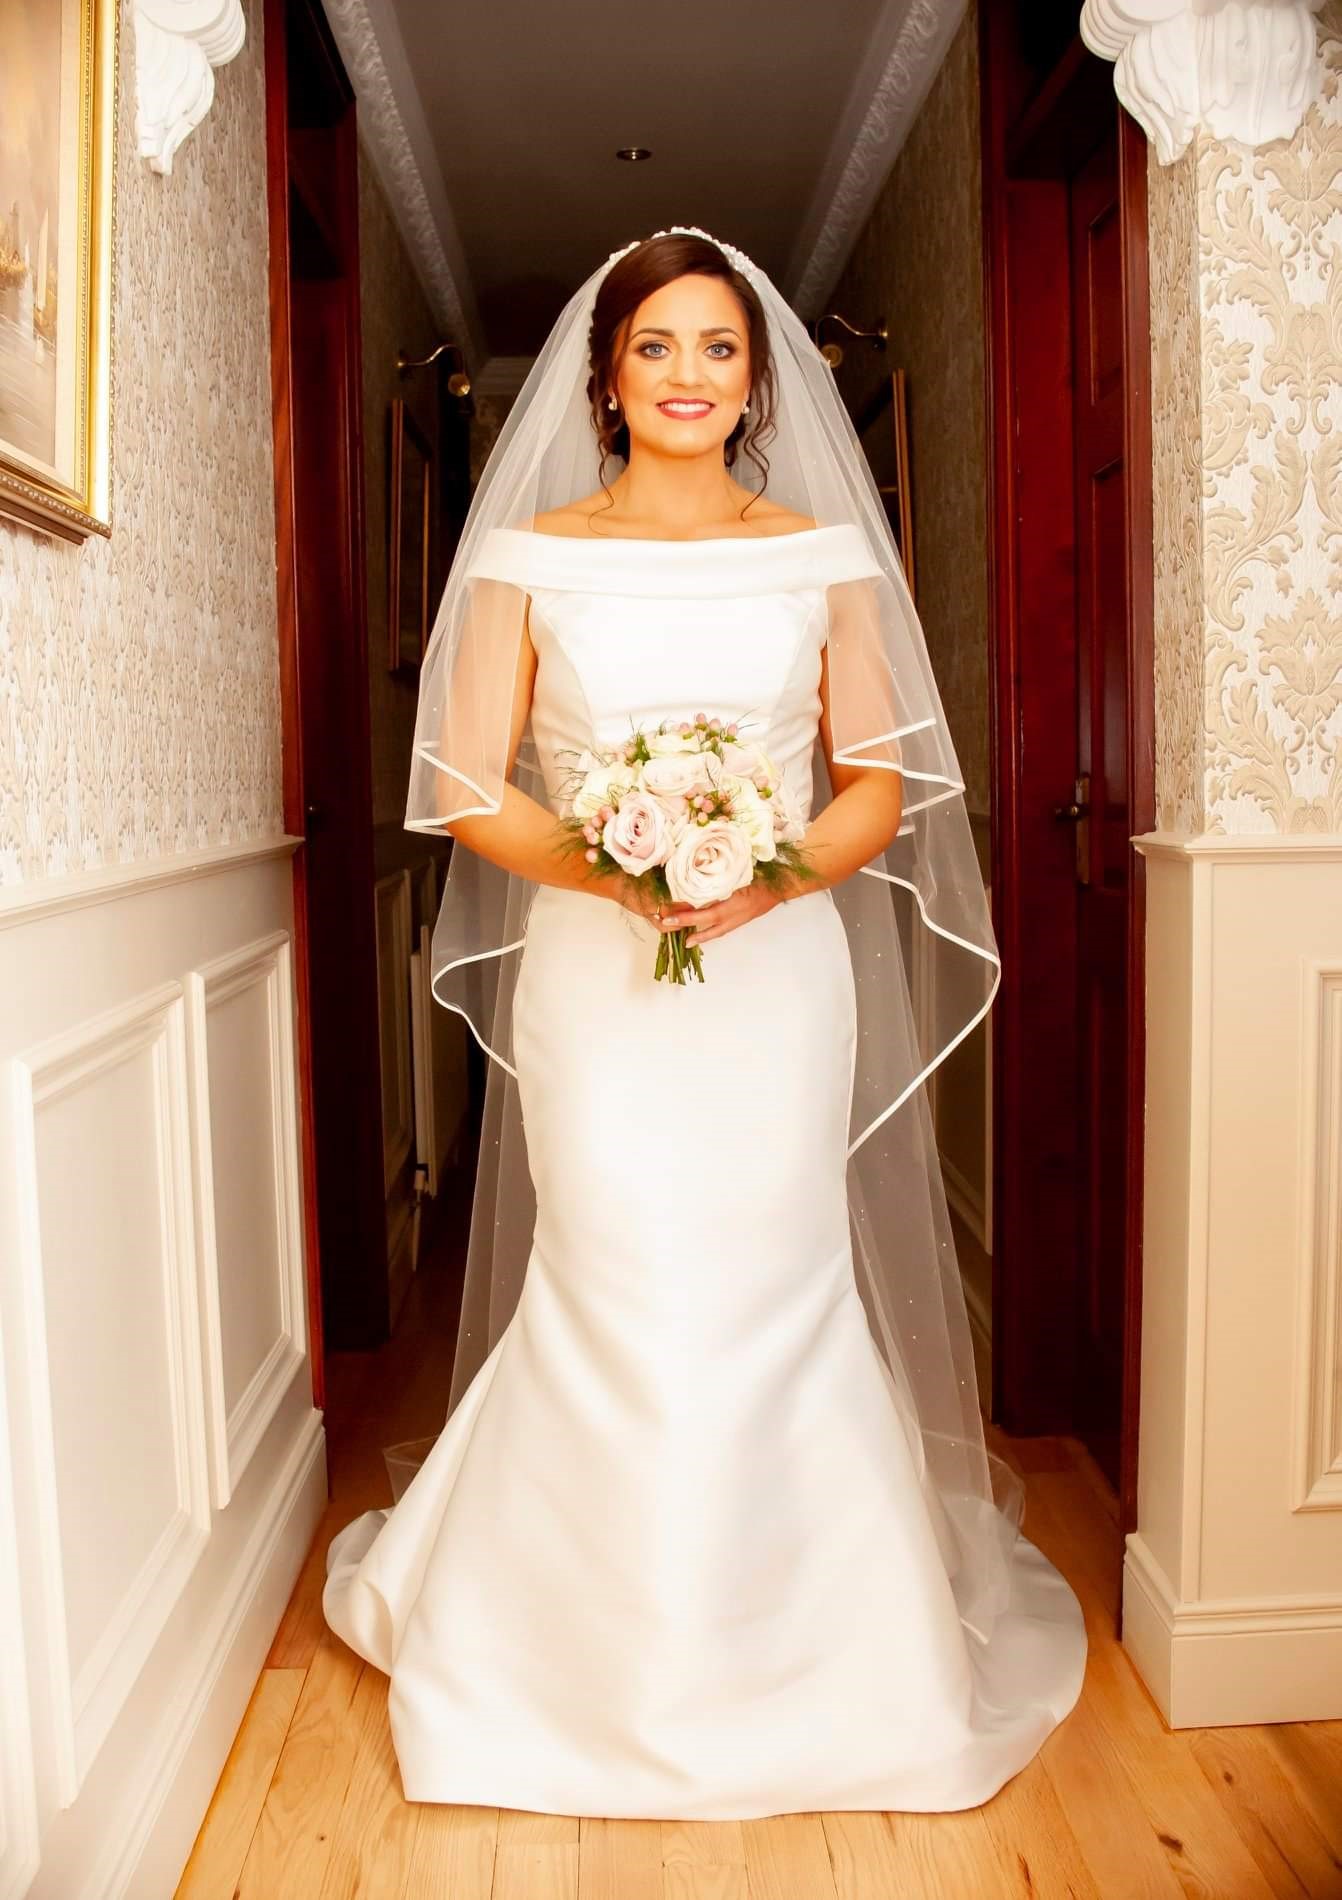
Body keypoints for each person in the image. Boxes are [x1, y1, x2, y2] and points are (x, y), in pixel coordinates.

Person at [322, 226, 1087, 1818]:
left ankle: (829, 1665)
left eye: (719, 347)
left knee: (773, 1274)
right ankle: (553, 1665)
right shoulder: (527, 555)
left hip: (778, 971)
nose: (687, 375)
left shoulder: (820, 555)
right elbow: (467, 791)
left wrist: (761, 871)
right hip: (599, 985)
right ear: (606, 372)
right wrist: (620, 874)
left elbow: (876, 781)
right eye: (655, 345)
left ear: (759, 379)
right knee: (611, 1274)